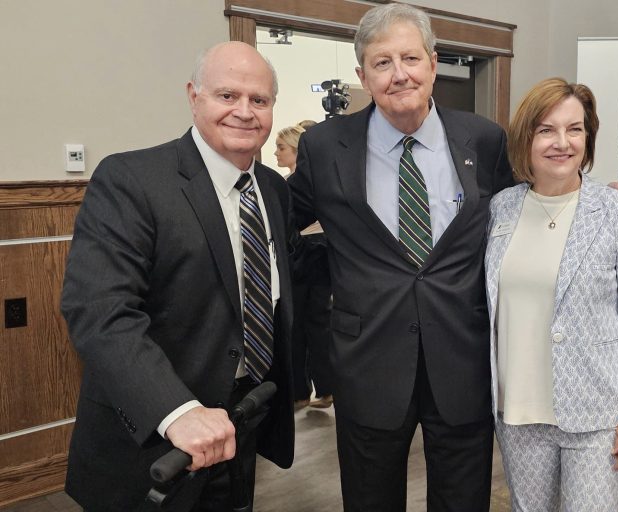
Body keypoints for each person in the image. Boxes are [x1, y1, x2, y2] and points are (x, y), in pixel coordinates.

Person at [289, 3, 513, 511]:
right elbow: (280, 220)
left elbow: (525, 211)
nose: (399, 74)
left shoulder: (484, 139)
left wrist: (594, 198)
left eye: (410, 58)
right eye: (382, 62)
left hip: (461, 359)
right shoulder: (325, 146)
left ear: (432, 63)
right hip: (367, 363)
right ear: (362, 76)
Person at [60, 42, 300, 511]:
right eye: (227, 95)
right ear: (194, 96)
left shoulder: (273, 189)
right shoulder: (131, 179)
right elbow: (99, 310)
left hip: (241, 425)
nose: (244, 112)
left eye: (259, 100)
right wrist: (178, 411)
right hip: (153, 442)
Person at [484, 78, 618, 511]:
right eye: (546, 130)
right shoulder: (501, 207)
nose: (562, 142)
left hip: (596, 413)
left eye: (574, 129)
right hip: (517, 412)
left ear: (588, 137)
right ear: (526, 138)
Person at [274, 123, 335, 411]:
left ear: (297, 151)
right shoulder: (308, 183)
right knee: (314, 325)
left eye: (281, 148)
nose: (276, 153)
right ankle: (320, 388)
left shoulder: (294, 188)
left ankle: (304, 390)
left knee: (302, 325)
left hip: (306, 258)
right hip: (314, 256)